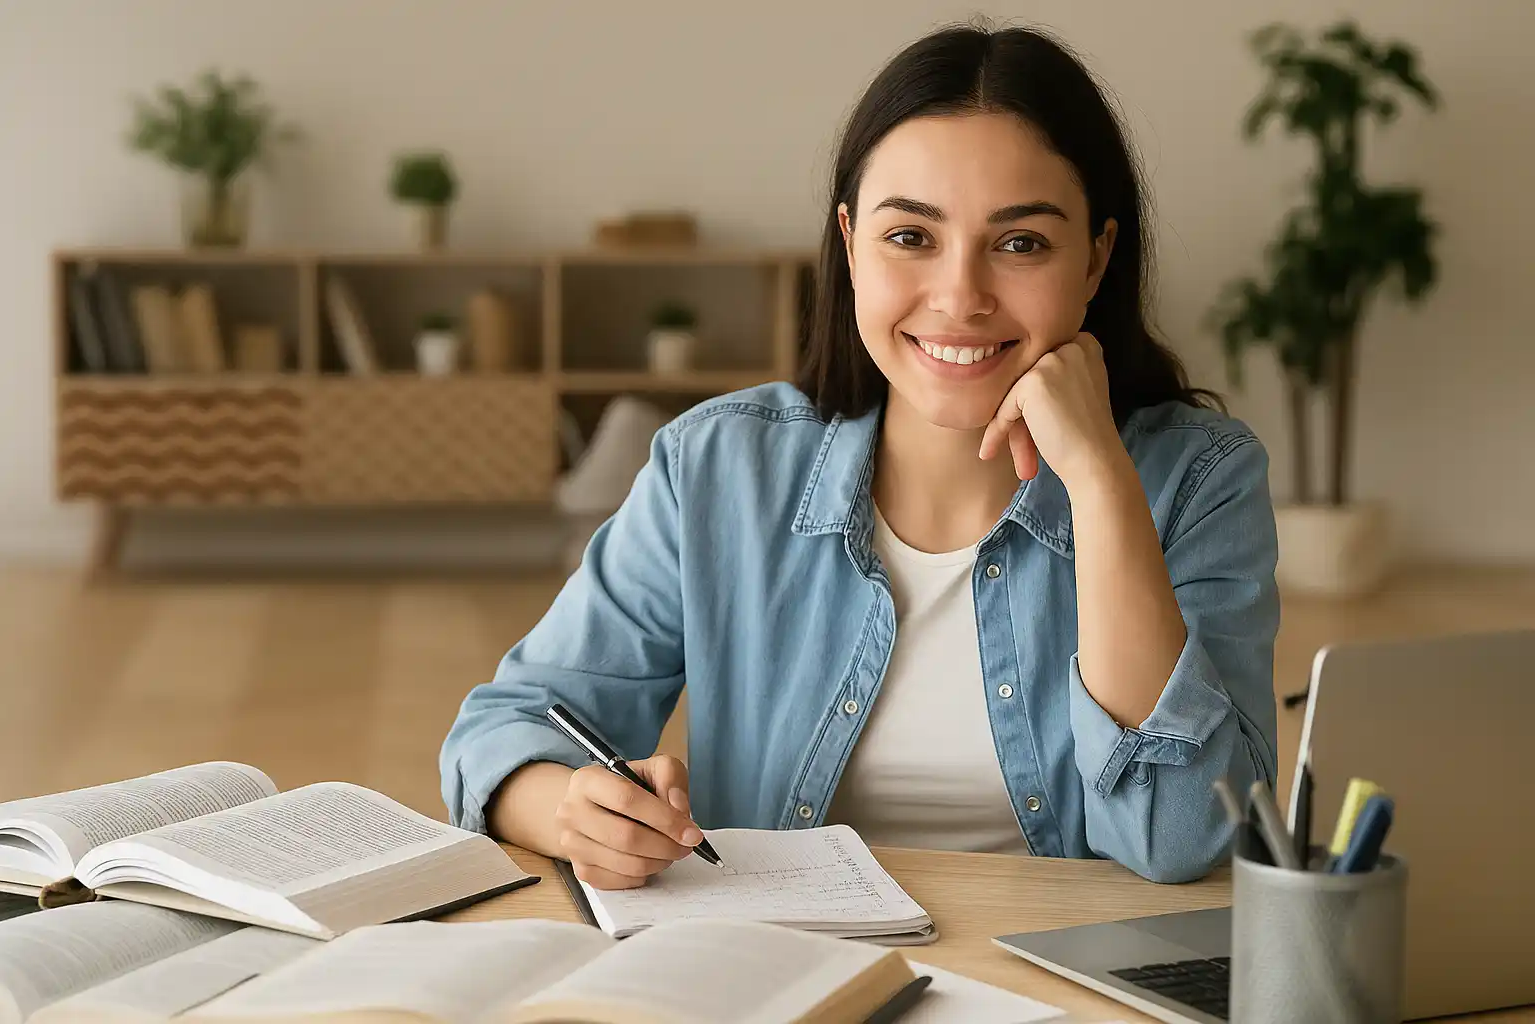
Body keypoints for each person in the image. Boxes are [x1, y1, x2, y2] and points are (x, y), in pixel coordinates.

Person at [440, 22, 1279, 889]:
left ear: (1097, 256)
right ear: (849, 243)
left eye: (1020, 242)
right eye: (911, 237)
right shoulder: (717, 467)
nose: (960, 297)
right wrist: (572, 810)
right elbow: (501, 733)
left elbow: (1183, 836)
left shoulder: (1200, 479)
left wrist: (1102, 482)